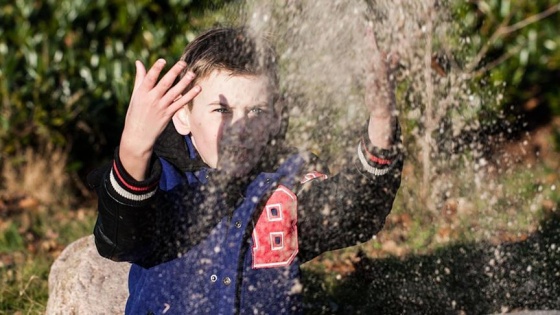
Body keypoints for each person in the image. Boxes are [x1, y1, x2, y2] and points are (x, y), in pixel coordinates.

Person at [88, 26, 403, 314]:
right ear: (183, 116)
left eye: (256, 111)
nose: (240, 128)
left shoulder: (289, 179)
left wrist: (381, 121)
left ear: (276, 117)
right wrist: (134, 148)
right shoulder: (161, 180)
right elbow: (117, 241)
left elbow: (355, 215)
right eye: (222, 110)